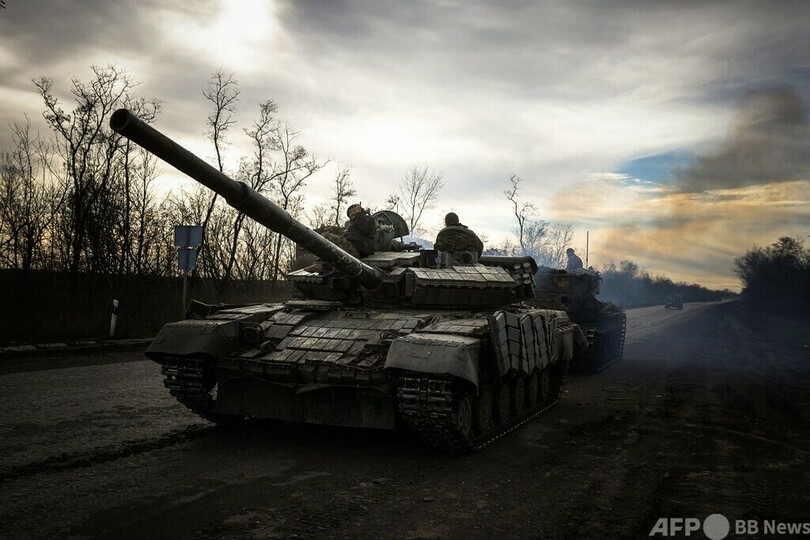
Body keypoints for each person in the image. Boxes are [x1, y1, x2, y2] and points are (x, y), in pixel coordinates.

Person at [304, 203, 376, 273]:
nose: (351, 214)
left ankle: (319, 265)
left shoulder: (368, 219)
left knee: (326, 236)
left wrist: (359, 214)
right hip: (352, 247)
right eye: (350, 213)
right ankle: (320, 264)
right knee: (328, 246)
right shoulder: (354, 226)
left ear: (359, 210)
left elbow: (365, 230)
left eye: (353, 211)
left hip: (357, 248)